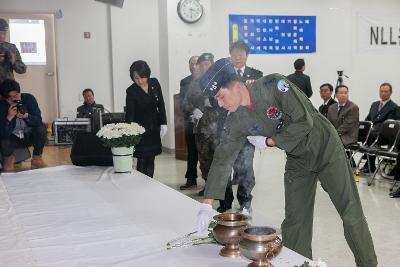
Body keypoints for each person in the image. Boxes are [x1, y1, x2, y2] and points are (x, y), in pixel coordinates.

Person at [197, 58, 377, 267]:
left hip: (325, 147)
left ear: (236, 85)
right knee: (295, 222)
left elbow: (304, 121)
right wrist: (207, 204)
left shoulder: (273, 85)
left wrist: (270, 141)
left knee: (350, 211)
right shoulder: (237, 118)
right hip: (297, 157)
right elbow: (223, 156)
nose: (220, 103)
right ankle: (299, 264)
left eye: (221, 96)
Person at [218, 40, 263, 213]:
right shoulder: (223, 76)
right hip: (227, 128)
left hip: (247, 129)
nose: (237, 57)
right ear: (230, 55)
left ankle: (245, 201)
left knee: (245, 166)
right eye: (234, 54)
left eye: (241, 54)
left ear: (246, 55)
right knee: (224, 166)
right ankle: (225, 201)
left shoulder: (257, 74)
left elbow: (259, 100)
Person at [182, 53, 225, 196]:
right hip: (201, 128)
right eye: (202, 64)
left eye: (208, 64)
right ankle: (208, 185)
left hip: (218, 127)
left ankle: (221, 187)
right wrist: (193, 109)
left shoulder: (221, 81)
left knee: (218, 158)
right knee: (204, 159)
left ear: (213, 64)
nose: (205, 67)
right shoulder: (195, 82)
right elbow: (186, 101)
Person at [125, 60, 167, 178]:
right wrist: (129, 133)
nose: (140, 81)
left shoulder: (154, 83)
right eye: (136, 78)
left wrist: (164, 123)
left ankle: (150, 183)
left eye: (142, 77)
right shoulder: (131, 91)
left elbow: (161, 104)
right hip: (140, 130)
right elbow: (130, 114)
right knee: (142, 159)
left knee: (151, 158)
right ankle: (141, 184)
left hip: (154, 128)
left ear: (147, 74)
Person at [0, 79, 47, 171]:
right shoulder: (2, 105)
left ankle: (37, 159)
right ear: (5, 98)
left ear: (19, 92)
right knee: (3, 138)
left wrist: (26, 116)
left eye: (16, 95)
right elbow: (3, 133)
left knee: (41, 128)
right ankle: (8, 159)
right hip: (12, 138)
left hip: (28, 136)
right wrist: (9, 118)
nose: (14, 99)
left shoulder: (29, 99)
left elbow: (38, 121)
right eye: (10, 98)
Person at [360, 83, 397, 173]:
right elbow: (368, 119)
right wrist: (367, 127)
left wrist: (374, 128)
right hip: (372, 133)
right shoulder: (374, 104)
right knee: (362, 132)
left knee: (372, 135)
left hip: (384, 135)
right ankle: (367, 160)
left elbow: (388, 125)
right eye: (381, 91)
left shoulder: (394, 107)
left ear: (390, 93)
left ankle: (370, 164)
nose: (383, 93)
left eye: (386, 91)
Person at [179, 56, 200, 190]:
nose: (193, 66)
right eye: (191, 64)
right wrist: (192, 112)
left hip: (206, 122)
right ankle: (191, 179)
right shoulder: (185, 82)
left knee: (205, 154)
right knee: (192, 152)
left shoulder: (208, 80)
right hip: (190, 122)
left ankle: (208, 181)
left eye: (196, 64)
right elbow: (182, 102)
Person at [327, 85, 359, 166]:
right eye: (341, 93)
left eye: (346, 93)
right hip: (336, 135)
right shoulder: (331, 107)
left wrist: (333, 135)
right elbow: (329, 123)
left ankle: (332, 165)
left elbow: (347, 126)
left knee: (330, 142)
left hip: (348, 136)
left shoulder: (353, 107)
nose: (344, 95)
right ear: (336, 95)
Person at [0, 18, 27, 83]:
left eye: (4, 33)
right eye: (0, 33)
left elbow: (22, 70)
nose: (2, 36)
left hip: (8, 87)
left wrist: (13, 62)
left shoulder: (11, 48)